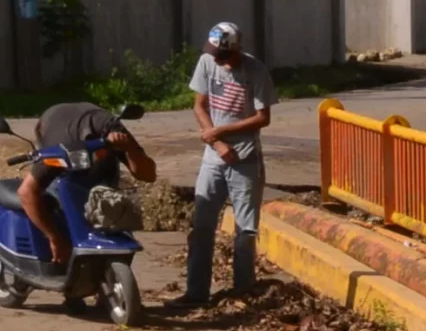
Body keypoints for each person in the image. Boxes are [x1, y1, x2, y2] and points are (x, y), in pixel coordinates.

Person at [181, 22, 274, 309]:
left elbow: (262, 118)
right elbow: (199, 106)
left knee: (245, 229)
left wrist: (221, 132)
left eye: (222, 55)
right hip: (214, 159)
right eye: (213, 54)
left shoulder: (255, 71)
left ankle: (241, 292)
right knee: (202, 226)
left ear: (236, 49)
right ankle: (196, 293)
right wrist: (217, 143)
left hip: (245, 159)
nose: (217, 60)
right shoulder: (207, 62)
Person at [15, 101, 155, 273]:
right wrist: (54, 237)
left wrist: (129, 148)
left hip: (92, 128)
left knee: (110, 201)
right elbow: (26, 192)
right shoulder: (58, 146)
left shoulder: (110, 127)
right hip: (57, 126)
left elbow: (148, 175)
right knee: (57, 195)